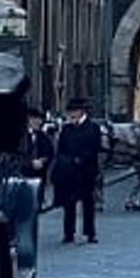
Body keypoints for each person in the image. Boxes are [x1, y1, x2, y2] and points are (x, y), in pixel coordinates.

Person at [53, 97, 104, 244]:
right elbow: (61, 148)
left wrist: (81, 159)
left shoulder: (93, 128)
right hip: (69, 171)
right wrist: (65, 161)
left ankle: (90, 232)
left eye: (74, 112)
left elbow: (94, 147)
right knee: (69, 204)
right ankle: (69, 232)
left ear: (82, 112)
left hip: (86, 171)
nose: (71, 115)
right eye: (70, 112)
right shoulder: (67, 129)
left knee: (88, 203)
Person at [23, 107, 55, 210]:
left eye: (40, 120)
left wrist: (43, 161)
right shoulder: (21, 137)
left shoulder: (44, 137)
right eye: (36, 119)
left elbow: (50, 152)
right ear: (29, 120)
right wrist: (30, 163)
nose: (39, 122)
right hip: (24, 175)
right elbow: (17, 155)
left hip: (39, 176)